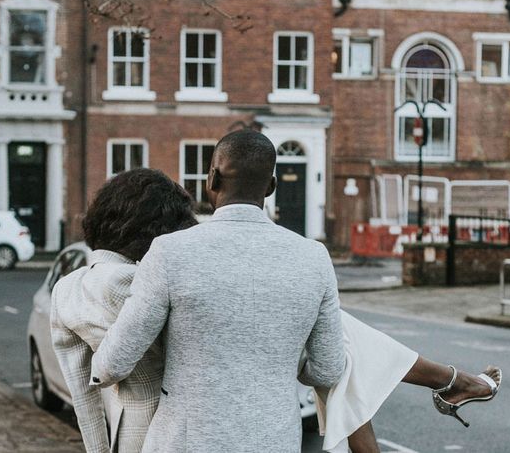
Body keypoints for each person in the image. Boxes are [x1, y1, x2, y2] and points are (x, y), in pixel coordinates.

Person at [90, 130, 347, 453]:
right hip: (274, 440)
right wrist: (279, 362)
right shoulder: (314, 257)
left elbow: (115, 362)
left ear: (212, 178)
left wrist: (94, 367)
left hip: (187, 441)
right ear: (270, 187)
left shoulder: (170, 252)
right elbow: (328, 368)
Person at [50, 169, 197, 453]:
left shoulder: (65, 290)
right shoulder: (137, 282)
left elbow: (82, 395)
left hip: (127, 426)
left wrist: (98, 450)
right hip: (172, 428)